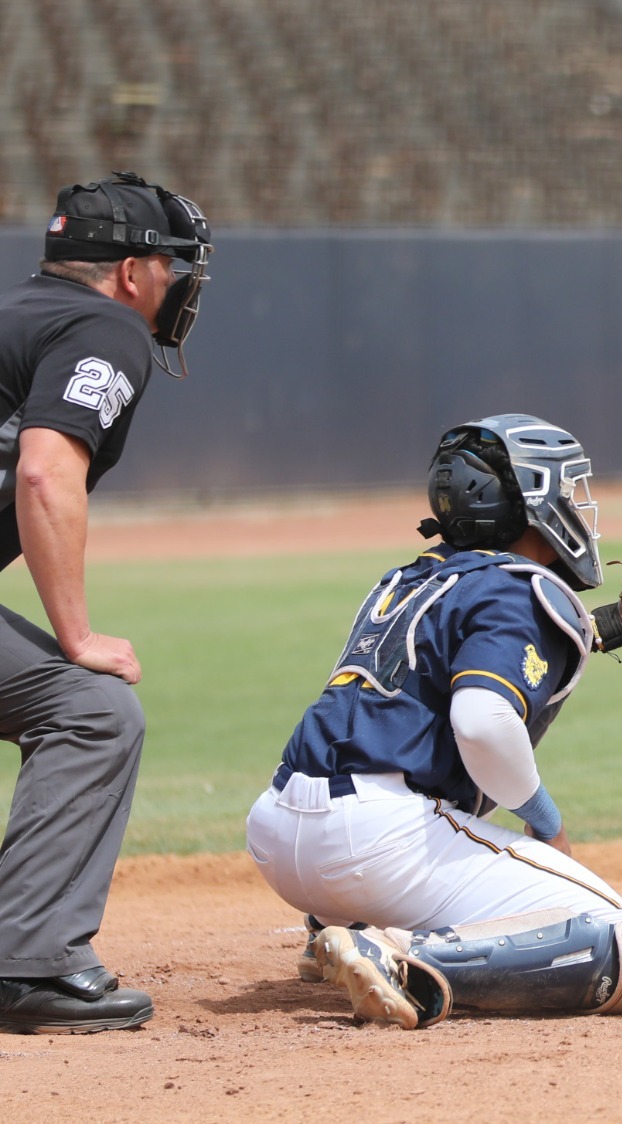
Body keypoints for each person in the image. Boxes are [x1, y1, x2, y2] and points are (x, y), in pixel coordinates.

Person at [244, 416, 622, 1029]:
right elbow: (482, 722)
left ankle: (341, 925)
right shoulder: (517, 590)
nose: (578, 505)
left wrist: (620, 624)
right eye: (567, 488)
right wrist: (547, 823)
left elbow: (497, 641)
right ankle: (400, 956)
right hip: (379, 843)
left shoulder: (412, 579)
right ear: (532, 504)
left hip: (279, 834)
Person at [0, 173, 212, 1034]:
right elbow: (45, 473)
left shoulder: (19, 313)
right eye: (171, 266)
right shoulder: (105, 327)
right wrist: (77, 634)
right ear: (131, 272)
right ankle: (29, 965)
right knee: (91, 709)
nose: (179, 282)